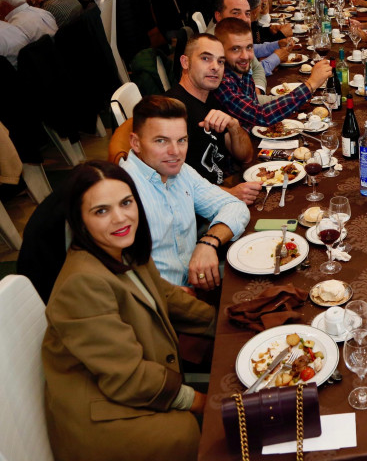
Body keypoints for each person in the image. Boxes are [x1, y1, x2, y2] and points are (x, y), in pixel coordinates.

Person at [42, 161, 216, 461]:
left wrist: (221, 323)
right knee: (186, 430)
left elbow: (167, 297)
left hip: (122, 384)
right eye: (101, 211)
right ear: (80, 221)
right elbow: (127, 376)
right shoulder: (82, 284)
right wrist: (200, 401)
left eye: (126, 203)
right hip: (97, 418)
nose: (120, 218)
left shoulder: (123, 249)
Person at [120, 96, 249, 289]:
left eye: (181, 140)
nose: (175, 152)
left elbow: (234, 205)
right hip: (161, 306)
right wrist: (171, 298)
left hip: (196, 286)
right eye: (161, 141)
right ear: (135, 143)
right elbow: (117, 278)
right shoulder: (120, 192)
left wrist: (208, 242)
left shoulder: (181, 171)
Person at [165, 34, 257, 202]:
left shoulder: (211, 99)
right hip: (199, 214)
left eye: (221, 61)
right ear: (185, 62)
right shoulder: (172, 112)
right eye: (206, 58)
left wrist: (234, 126)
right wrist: (229, 194)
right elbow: (171, 185)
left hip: (222, 192)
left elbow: (246, 157)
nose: (215, 67)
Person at [213, 17, 331, 128]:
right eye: (235, 49)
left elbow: (255, 104)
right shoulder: (222, 82)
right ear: (220, 50)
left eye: (249, 47)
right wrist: (310, 85)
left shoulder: (241, 72)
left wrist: (293, 100)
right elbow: (261, 115)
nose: (245, 56)